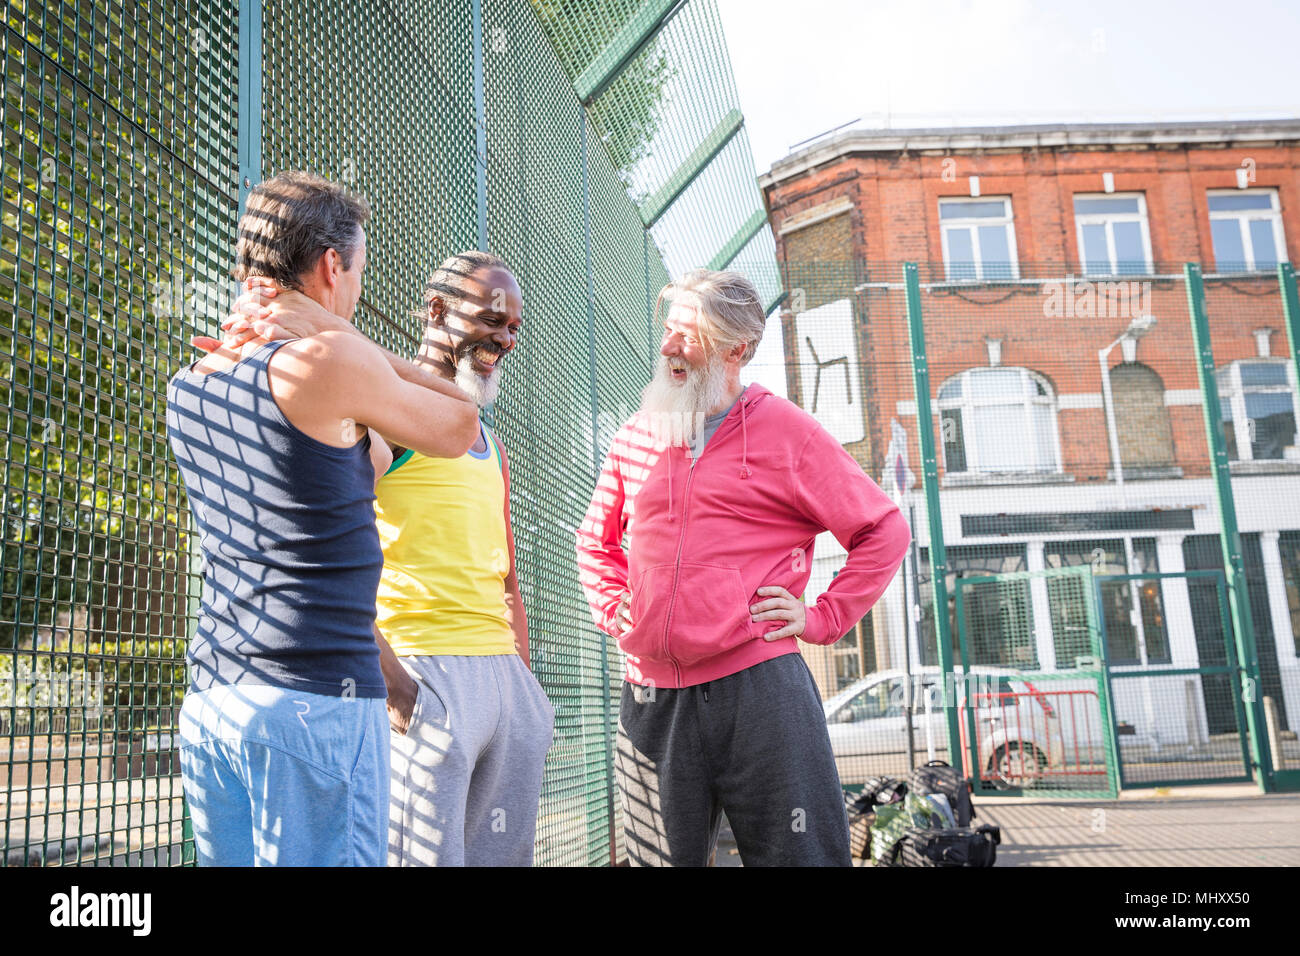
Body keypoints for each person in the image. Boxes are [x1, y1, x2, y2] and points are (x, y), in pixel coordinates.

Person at [167, 171, 480, 866]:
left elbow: (348, 466)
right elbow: (462, 423)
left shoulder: (190, 383)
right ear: (330, 265)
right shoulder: (325, 359)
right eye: (358, 272)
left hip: (215, 706)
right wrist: (335, 331)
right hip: (317, 709)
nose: (357, 291)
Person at [216, 251, 554, 866]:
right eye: (492, 319)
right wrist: (395, 685)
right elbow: (320, 541)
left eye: (513, 328)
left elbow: (507, 575)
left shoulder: (486, 439)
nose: (505, 338)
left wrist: (523, 690)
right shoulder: (386, 418)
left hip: (503, 685)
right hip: (426, 677)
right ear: (437, 311)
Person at [575, 268, 911, 867]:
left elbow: (884, 529)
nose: (669, 347)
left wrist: (822, 616)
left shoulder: (788, 433)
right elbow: (594, 543)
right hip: (651, 697)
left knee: (800, 857)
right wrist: (611, 603)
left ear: (738, 347)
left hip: (760, 691)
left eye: (690, 334)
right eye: (669, 330)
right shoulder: (634, 437)